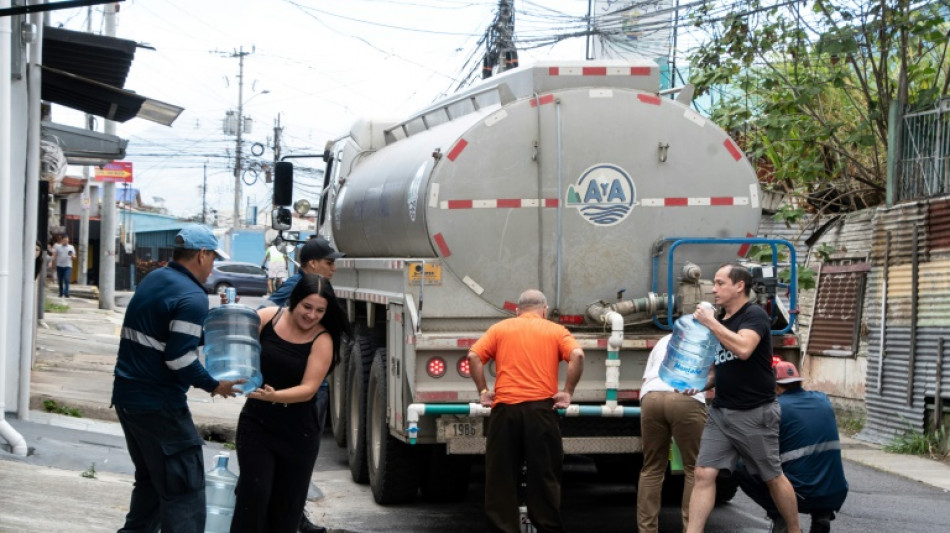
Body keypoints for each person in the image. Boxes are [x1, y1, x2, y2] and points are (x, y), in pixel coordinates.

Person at [111, 224, 244, 532]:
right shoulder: (192, 296)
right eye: (213, 259)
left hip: (129, 400)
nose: (213, 267)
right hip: (160, 406)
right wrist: (215, 385)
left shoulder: (157, 278)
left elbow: (165, 338)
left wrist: (213, 325)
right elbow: (178, 358)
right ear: (201, 254)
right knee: (184, 487)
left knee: (152, 486)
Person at [685, 263, 803, 533]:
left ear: (739, 286)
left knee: (772, 476)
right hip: (721, 412)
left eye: (720, 283)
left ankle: (794, 530)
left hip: (754, 412)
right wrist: (703, 384)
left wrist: (710, 322)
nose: (713, 289)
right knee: (703, 473)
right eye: (713, 283)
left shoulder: (754, 316)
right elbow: (723, 366)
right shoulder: (722, 321)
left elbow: (744, 349)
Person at [230, 274, 351, 533]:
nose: (312, 315)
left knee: (286, 509)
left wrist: (273, 396)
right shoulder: (267, 318)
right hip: (257, 424)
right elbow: (233, 346)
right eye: (307, 307)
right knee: (254, 495)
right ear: (294, 301)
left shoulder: (323, 339)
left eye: (320, 311)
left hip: (298, 433)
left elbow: (308, 390)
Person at [468, 289, 585, 533]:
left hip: (505, 412)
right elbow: (577, 354)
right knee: (544, 476)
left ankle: (503, 529)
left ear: (517, 310)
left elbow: (474, 356)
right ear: (544, 309)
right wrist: (567, 392)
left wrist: (483, 391)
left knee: (501, 478)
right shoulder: (555, 331)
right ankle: (547, 528)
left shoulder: (501, 328)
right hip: (541, 412)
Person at [258, 236, 344, 533]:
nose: (333, 268)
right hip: (298, 392)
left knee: (300, 462)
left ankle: (295, 516)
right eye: (328, 263)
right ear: (311, 264)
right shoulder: (296, 288)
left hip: (312, 386)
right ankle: (293, 518)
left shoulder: (320, 291)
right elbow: (264, 316)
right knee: (292, 462)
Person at [734, 362, 848, 533]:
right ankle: (821, 515)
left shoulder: (773, 409)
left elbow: (756, 453)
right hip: (835, 493)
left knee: (742, 466)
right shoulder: (823, 399)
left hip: (801, 495)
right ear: (798, 381)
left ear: (773, 385)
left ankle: (781, 516)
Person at [638, 334, 707, 533]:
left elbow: (646, 377)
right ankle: (691, 528)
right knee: (694, 469)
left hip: (652, 397)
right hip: (686, 398)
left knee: (652, 467)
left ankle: (647, 529)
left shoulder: (664, 339)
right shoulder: (708, 338)